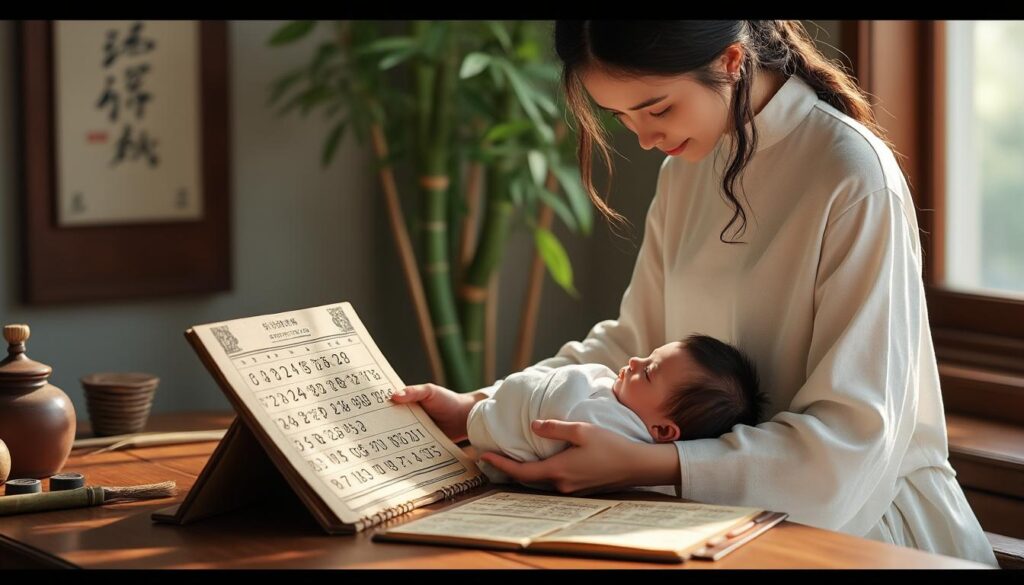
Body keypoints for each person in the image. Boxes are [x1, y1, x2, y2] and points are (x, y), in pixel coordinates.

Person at [392, 21, 999, 566]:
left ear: (732, 60)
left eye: (656, 108)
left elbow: (853, 445)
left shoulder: (851, 173)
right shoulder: (687, 169)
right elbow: (631, 346)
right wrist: (478, 405)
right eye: (621, 117)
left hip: (860, 529)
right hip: (705, 517)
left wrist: (652, 463)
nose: (644, 138)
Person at [468, 335, 766, 491]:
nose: (635, 360)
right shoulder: (620, 395)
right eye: (648, 356)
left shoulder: (615, 431)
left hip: (501, 434)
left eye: (648, 372)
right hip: (494, 409)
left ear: (663, 430)